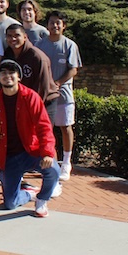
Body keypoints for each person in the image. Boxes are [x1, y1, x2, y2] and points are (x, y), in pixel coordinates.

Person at [0, 60, 60, 217]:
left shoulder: (31, 97)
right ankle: (28, 194)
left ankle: (42, 199)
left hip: (31, 151)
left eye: (12, 73)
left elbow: (44, 126)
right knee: (10, 203)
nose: (7, 76)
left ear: (19, 77)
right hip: (9, 157)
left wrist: (47, 152)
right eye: (3, 73)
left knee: (53, 170)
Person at [36, 10, 82, 182]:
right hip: (44, 96)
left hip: (63, 94)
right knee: (45, 129)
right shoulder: (40, 45)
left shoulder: (69, 45)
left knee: (65, 127)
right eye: (52, 22)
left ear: (64, 26)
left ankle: (67, 162)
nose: (54, 26)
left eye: (58, 23)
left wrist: (58, 82)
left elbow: (73, 69)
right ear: (47, 25)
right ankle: (47, 161)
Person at [4, 23, 59, 103]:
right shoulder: (7, 55)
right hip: (22, 101)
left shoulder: (37, 57)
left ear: (25, 37)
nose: (13, 39)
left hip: (45, 100)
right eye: (10, 36)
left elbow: (42, 86)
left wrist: (33, 105)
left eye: (17, 35)